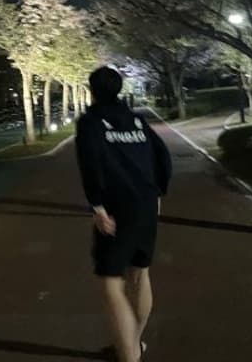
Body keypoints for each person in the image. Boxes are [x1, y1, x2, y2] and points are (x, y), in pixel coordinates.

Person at [75, 66, 172, 362]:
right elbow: (162, 156)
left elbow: (90, 163)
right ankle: (134, 344)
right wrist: (158, 192)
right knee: (140, 274)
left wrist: (97, 206)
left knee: (111, 282)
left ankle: (129, 355)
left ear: (92, 91)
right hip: (146, 203)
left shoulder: (91, 122)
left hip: (117, 208)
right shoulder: (137, 120)